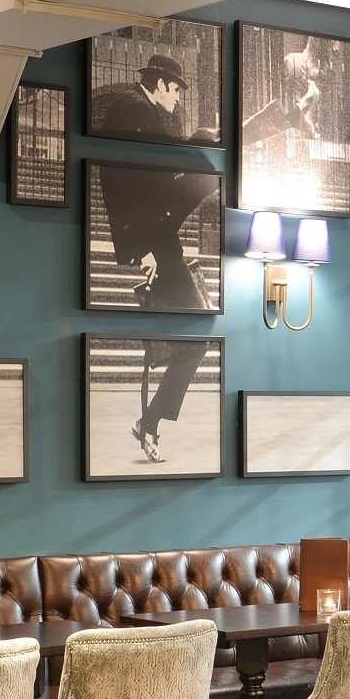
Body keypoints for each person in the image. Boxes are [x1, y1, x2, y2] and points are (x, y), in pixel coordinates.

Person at [95, 163, 215, 461]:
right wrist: (140, 251)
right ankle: (148, 421)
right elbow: (124, 203)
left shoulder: (178, 181)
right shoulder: (175, 180)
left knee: (195, 347)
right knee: (197, 346)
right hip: (166, 260)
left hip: (168, 256)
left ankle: (148, 421)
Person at [103, 53, 190, 141]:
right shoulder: (139, 107)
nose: (178, 98)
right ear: (161, 84)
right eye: (176, 90)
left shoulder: (137, 100)